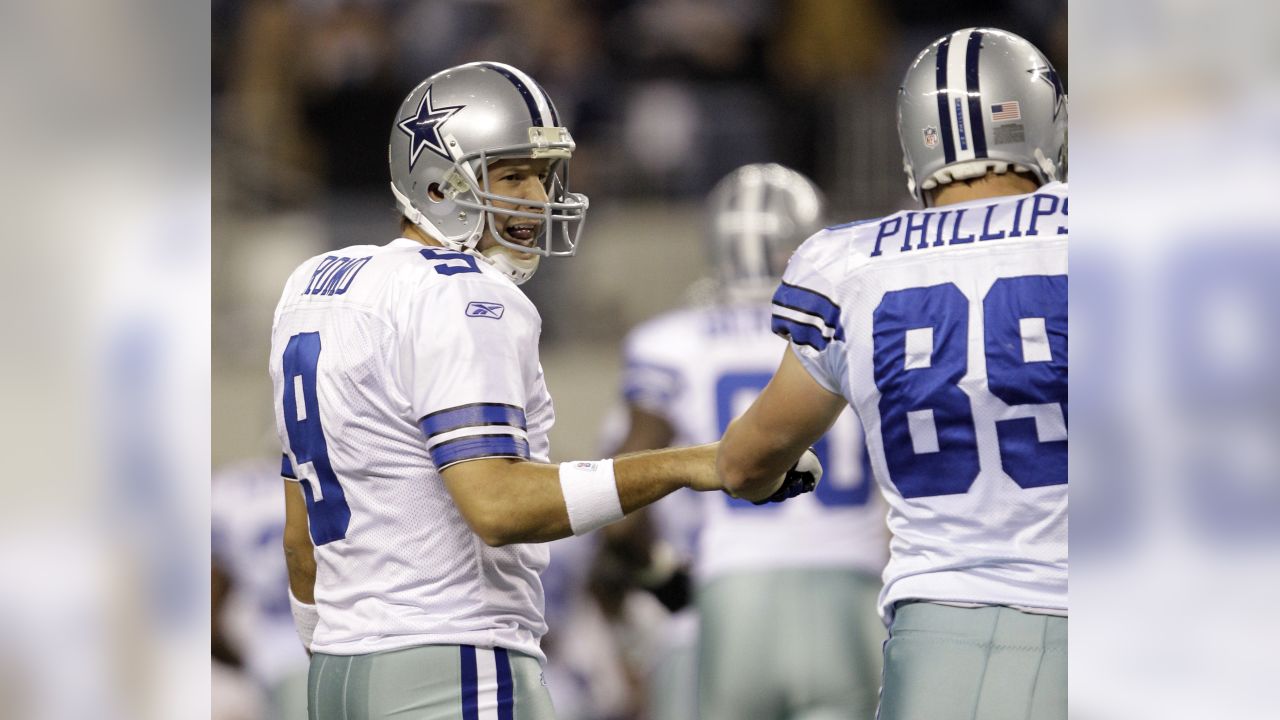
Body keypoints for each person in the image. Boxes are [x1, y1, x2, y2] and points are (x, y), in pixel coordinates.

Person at [268, 61, 819, 720]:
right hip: (456, 663)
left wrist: (332, 652)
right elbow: (498, 506)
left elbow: (300, 538)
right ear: (439, 181)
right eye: (512, 175)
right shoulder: (464, 292)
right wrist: (697, 463)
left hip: (338, 672)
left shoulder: (316, 284)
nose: (537, 196)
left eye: (545, 174)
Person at [718, 28, 1068, 720]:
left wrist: (769, 474)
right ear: (1043, 117)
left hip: (934, 631)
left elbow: (744, 462)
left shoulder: (852, 267)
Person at [612, 164, 888, 719]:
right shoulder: (854, 324)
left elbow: (623, 511)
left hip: (735, 596)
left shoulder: (671, 343)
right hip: (854, 588)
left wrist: (659, 574)